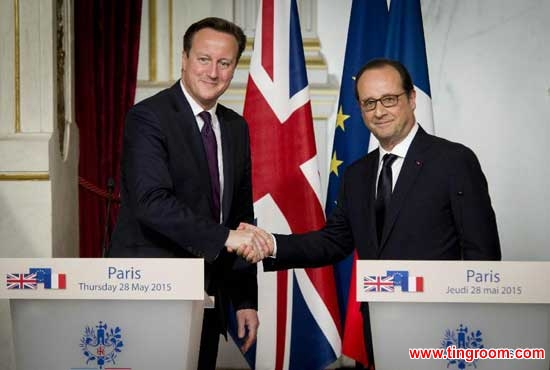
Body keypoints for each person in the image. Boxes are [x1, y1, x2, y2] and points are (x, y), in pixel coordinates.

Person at [235, 58, 501, 369]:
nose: (379, 111)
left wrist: (473, 328)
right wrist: (272, 244)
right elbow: (334, 242)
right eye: (369, 102)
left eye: (389, 99)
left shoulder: (453, 161)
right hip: (379, 329)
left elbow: (482, 254)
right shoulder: (357, 175)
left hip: (442, 328)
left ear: (412, 99)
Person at [109, 17, 270, 370]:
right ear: (184, 59)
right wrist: (225, 236)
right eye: (203, 59)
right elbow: (151, 202)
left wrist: (245, 299)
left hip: (208, 294)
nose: (213, 72)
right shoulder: (148, 117)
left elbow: (240, 216)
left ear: (233, 68)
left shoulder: (235, 127)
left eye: (224, 63)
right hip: (150, 289)